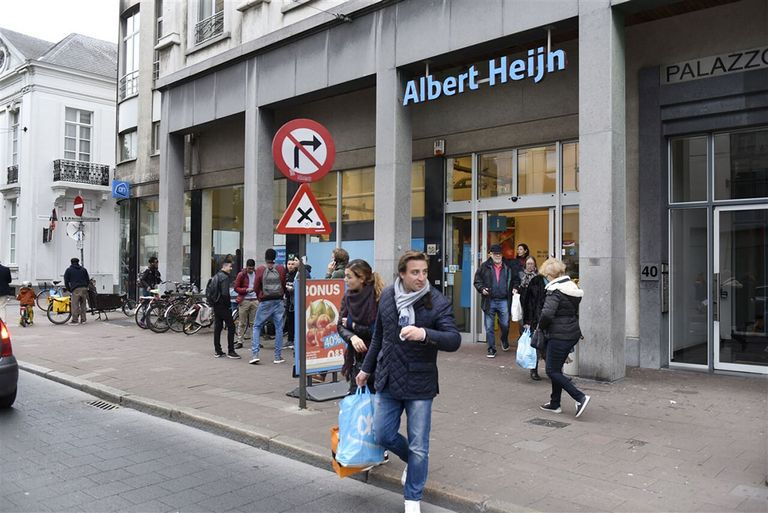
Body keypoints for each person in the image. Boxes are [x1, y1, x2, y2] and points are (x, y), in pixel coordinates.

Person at [356, 251, 461, 513]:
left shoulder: (436, 301)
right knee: (383, 434)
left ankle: (412, 498)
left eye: (424, 272)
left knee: (419, 446)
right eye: (415, 272)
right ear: (402, 273)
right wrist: (366, 369)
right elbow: (379, 337)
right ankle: (413, 462)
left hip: (420, 383)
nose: (421, 277)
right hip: (388, 377)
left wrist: (424, 333)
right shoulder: (389, 296)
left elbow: (454, 339)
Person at [537, 258, 590, 418]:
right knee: (556, 368)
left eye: (546, 275)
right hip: (571, 332)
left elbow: (547, 313)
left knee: (552, 370)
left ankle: (580, 397)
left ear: (550, 275)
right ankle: (555, 403)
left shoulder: (555, 291)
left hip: (558, 335)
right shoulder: (571, 288)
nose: (545, 278)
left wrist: (541, 327)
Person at [338, 259, 384, 394]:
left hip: (378, 359)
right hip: (356, 359)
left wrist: (353, 325)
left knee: (377, 406)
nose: (345, 280)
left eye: (349, 276)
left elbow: (377, 332)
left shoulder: (378, 297)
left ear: (362, 278)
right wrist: (352, 337)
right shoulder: (348, 297)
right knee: (357, 405)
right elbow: (340, 325)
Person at [473, 244, 517, 357]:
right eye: (495, 254)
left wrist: (515, 288)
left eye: (499, 254)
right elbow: (477, 281)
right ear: (490, 254)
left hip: (503, 300)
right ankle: (491, 348)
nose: (498, 256)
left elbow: (515, 279)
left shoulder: (508, 266)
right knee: (489, 327)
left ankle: (504, 339)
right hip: (489, 300)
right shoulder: (484, 266)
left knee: (505, 324)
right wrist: (482, 289)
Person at [250, 248, 287, 365]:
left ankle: (255, 354)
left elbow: (256, 286)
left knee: (257, 326)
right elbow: (284, 285)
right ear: (275, 257)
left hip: (265, 301)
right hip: (278, 301)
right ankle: (277, 356)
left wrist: (260, 297)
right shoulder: (281, 269)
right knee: (279, 328)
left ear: (265, 258)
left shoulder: (260, 269)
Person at [210, 256, 240, 359]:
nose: (231, 269)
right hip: (223, 305)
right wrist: (228, 306)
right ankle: (231, 351)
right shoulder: (225, 277)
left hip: (216, 305)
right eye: (230, 267)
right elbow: (225, 294)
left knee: (218, 328)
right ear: (225, 266)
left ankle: (218, 351)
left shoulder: (216, 276)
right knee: (231, 326)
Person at [520, 256, 544, 381]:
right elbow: (527, 302)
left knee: (543, 344)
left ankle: (554, 371)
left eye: (532, 264)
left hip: (539, 315)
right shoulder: (524, 279)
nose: (530, 266)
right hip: (530, 315)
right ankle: (533, 369)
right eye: (528, 264)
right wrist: (527, 321)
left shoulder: (540, 280)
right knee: (534, 344)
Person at [233, 259, 258, 350]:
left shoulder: (256, 273)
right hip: (244, 300)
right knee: (242, 322)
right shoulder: (241, 274)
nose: (250, 270)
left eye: (252, 268)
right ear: (246, 266)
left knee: (253, 323)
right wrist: (245, 290)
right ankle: (240, 341)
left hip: (255, 300)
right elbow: (236, 288)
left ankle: (254, 342)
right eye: (249, 268)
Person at [64, 257, 90, 324]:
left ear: (71, 262)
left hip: (76, 289)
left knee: (75, 305)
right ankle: (83, 319)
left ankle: (75, 320)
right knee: (83, 305)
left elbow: (66, 281)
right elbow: (88, 279)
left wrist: (69, 289)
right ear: (78, 262)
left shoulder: (69, 270)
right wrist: (86, 287)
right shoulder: (84, 269)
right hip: (84, 288)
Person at [284, 256, 300, 350]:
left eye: (292, 264)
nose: (290, 266)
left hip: (296, 302)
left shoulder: (297, 275)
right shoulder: (286, 275)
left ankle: (295, 340)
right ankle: (290, 339)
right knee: (289, 321)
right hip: (288, 301)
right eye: (289, 264)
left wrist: (292, 289)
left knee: (295, 321)